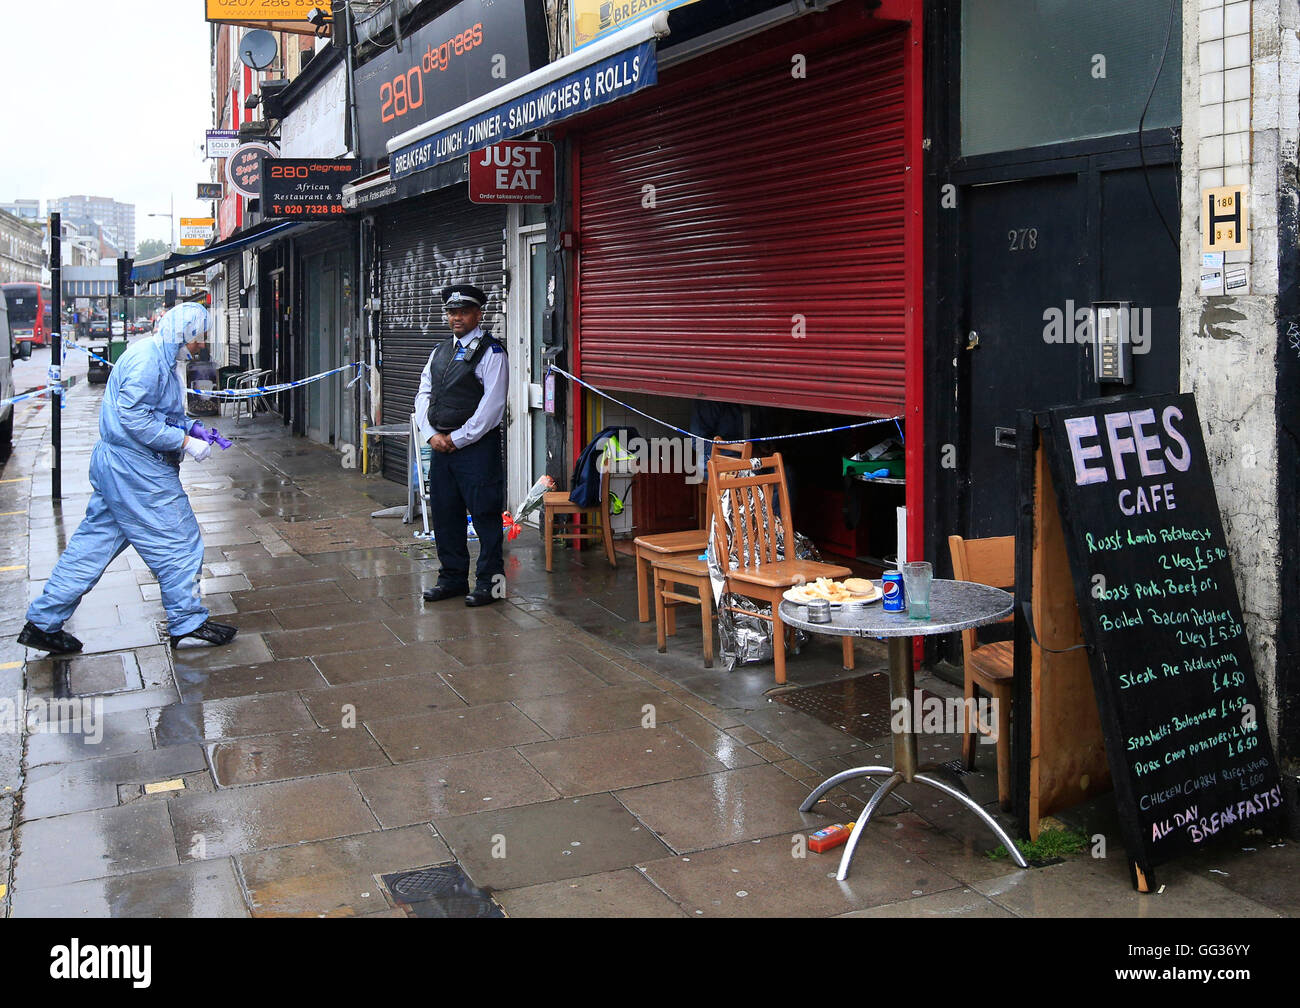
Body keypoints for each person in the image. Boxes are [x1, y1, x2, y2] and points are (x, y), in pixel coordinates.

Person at [19, 302, 238, 654]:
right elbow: (136, 420)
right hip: (138, 470)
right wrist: (184, 442)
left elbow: (157, 413)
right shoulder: (148, 361)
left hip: (121, 467)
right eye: (199, 337)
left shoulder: (162, 360)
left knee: (92, 545)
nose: (201, 345)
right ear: (183, 333)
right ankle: (188, 622)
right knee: (180, 541)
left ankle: (44, 621)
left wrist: (191, 427)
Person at [413, 283, 507, 607]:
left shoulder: (492, 352)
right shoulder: (439, 351)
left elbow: (492, 408)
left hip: (476, 449)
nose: (457, 317)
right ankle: (451, 578)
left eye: (464, 312)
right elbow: (423, 395)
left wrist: (457, 438)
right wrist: (431, 435)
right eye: (452, 312)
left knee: (485, 516)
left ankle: (491, 585)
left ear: (478, 314)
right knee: (445, 515)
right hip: (442, 448)